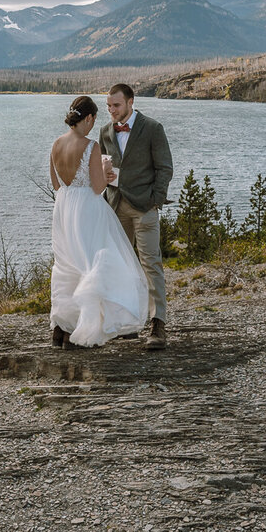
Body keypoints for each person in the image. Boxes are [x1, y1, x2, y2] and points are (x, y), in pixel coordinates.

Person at [47, 95, 149, 348]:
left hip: (63, 207)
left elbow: (56, 184)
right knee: (94, 262)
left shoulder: (56, 144)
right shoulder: (91, 145)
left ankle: (61, 330)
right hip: (87, 208)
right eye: (94, 119)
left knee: (67, 266)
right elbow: (96, 187)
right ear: (89, 118)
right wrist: (107, 174)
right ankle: (86, 327)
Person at [99, 84, 173, 350]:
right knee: (119, 266)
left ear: (131, 102)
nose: (111, 111)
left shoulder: (152, 128)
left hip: (144, 207)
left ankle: (157, 323)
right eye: (108, 106)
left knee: (151, 263)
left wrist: (155, 199)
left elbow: (165, 167)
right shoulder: (106, 131)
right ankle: (126, 323)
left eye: (116, 106)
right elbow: (102, 164)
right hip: (116, 206)